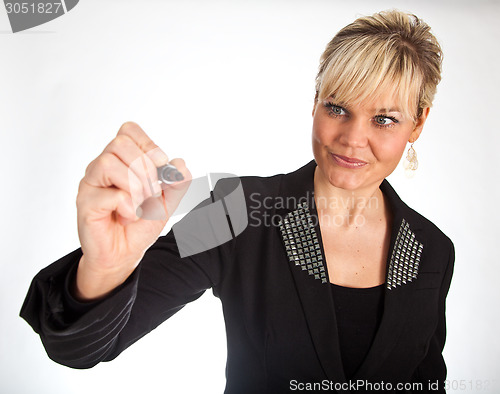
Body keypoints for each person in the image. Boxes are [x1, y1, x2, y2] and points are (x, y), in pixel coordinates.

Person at [20, 9, 454, 394]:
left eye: (384, 119)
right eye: (337, 108)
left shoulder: (434, 249)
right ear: (316, 101)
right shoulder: (237, 208)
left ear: (418, 123)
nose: (352, 139)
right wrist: (106, 267)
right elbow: (82, 348)